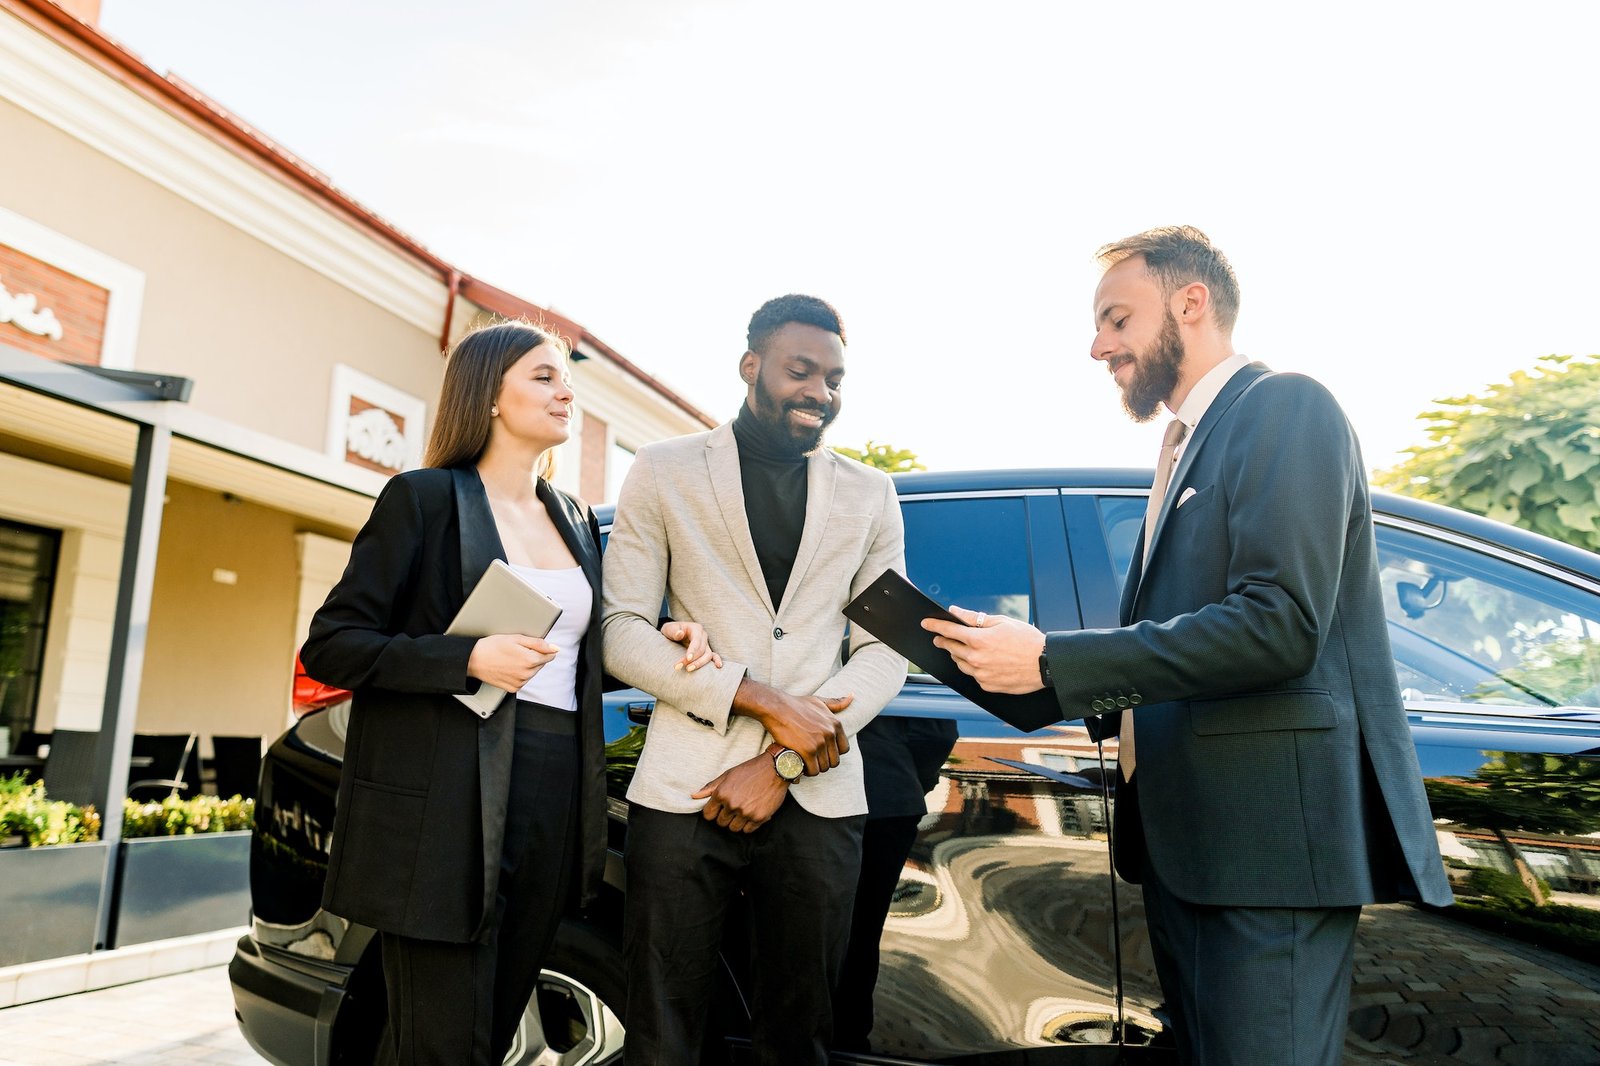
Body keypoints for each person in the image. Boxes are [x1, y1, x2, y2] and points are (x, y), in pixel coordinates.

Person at [923, 227, 1451, 1066]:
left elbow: (1281, 622)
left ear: (1190, 303)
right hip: (1191, 851)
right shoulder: (1180, 447)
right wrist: (1024, 671)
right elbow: (1178, 645)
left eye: (1117, 318)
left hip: (1265, 857)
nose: (1098, 345)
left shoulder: (1286, 406)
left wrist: (1058, 660)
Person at [300, 320, 717, 1066]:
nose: (566, 394)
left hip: (555, 792)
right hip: (445, 796)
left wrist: (669, 634)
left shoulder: (577, 518)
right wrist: (467, 658)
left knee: (486, 1035)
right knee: (442, 1041)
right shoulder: (423, 500)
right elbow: (333, 644)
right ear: (489, 395)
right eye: (544, 377)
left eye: (567, 380)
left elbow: (585, 653)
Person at [601, 294, 908, 1066]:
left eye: (834, 378)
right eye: (801, 371)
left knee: (800, 1039)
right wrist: (758, 699)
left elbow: (885, 651)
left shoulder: (871, 494)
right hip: (682, 794)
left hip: (819, 796)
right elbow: (621, 630)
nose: (821, 393)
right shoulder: (664, 471)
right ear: (751, 366)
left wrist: (786, 758)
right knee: (664, 1035)